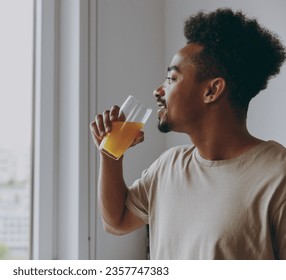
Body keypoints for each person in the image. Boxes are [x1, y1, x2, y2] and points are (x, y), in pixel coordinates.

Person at [90, 8, 286, 259]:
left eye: (171, 78)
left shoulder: (278, 175)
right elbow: (116, 221)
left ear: (212, 90)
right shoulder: (168, 166)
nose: (158, 90)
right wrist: (110, 155)